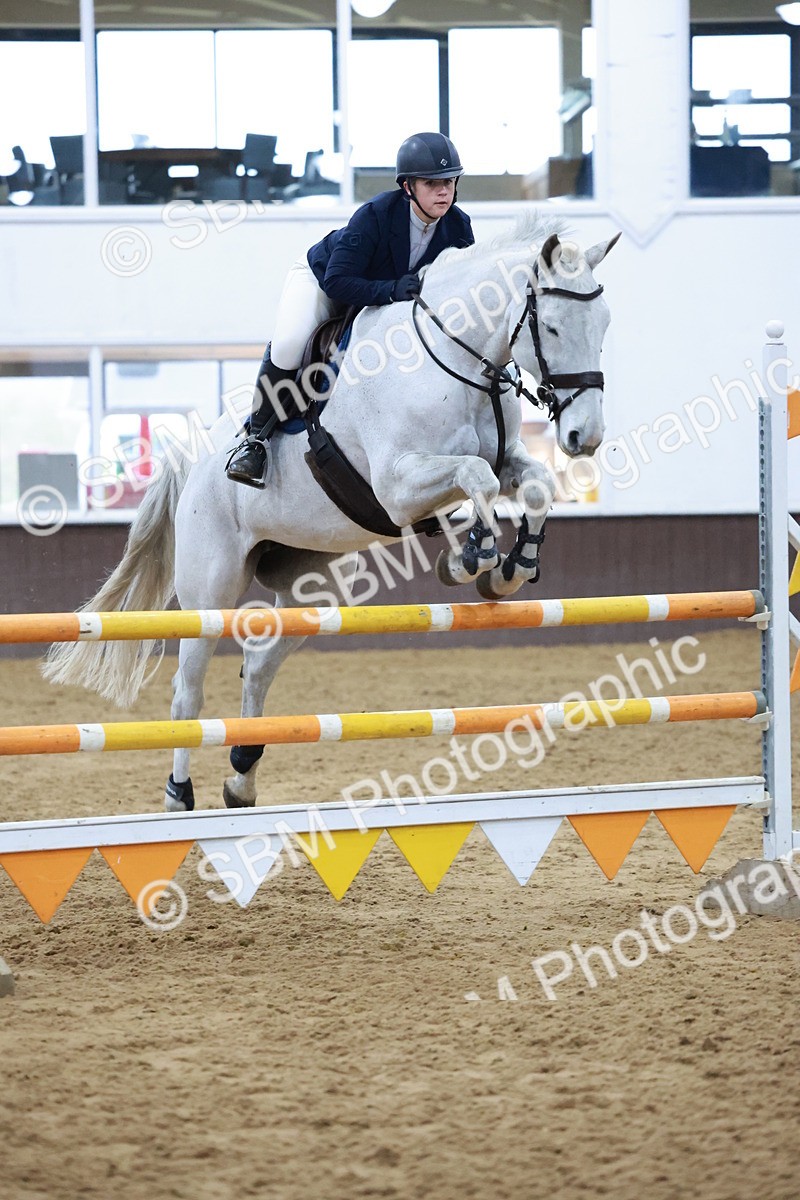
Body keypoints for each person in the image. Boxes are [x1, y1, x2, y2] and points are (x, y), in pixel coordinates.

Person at [226, 131, 475, 488]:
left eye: (450, 181)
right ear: (407, 187)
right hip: (323, 279)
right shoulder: (376, 215)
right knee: (290, 344)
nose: (443, 191)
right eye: (432, 183)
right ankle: (256, 440)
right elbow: (337, 281)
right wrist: (391, 289)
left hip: (378, 298)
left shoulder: (458, 227)